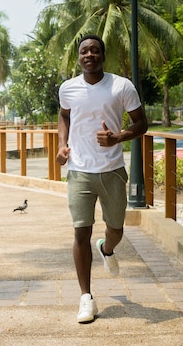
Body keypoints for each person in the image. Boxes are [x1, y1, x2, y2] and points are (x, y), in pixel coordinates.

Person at [56, 34, 148, 323]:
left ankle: (107, 249)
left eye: (95, 50)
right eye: (84, 51)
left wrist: (118, 137)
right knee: (80, 232)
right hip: (80, 171)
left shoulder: (122, 86)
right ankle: (86, 298)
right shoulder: (68, 88)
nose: (89, 55)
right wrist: (62, 144)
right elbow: (63, 115)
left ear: (103, 56)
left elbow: (142, 123)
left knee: (116, 229)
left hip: (111, 169)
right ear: (79, 57)